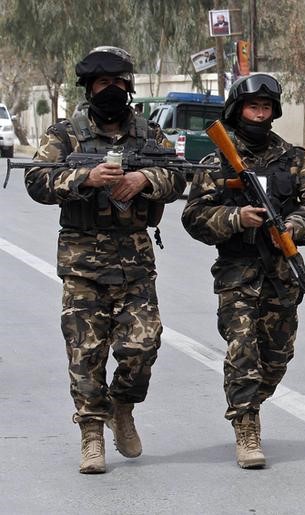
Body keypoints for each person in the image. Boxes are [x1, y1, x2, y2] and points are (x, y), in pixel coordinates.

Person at [24, 46, 186, 474]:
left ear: (128, 86)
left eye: (117, 83)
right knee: (85, 354)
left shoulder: (148, 134)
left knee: (143, 345)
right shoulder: (65, 134)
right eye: (101, 83)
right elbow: (37, 179)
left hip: (134, 262)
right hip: (81, 265)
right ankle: (92, 434)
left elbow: (180, 174)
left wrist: (144, 178)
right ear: (89, 88)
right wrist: (86, 177)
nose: (110, 90)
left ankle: (122, 405)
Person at [181, 74, 305, 469]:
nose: (260, 114)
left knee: (277, 356)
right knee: (242, 349)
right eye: (253, 107)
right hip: (238, 272)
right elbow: (194, 216)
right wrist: (236, 217)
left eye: (266, 108)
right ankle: (246, 425)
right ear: (238, 109)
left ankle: (251, 403)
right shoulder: (219, 159)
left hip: (282, 272)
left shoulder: (293, 158)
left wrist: (294, 226)